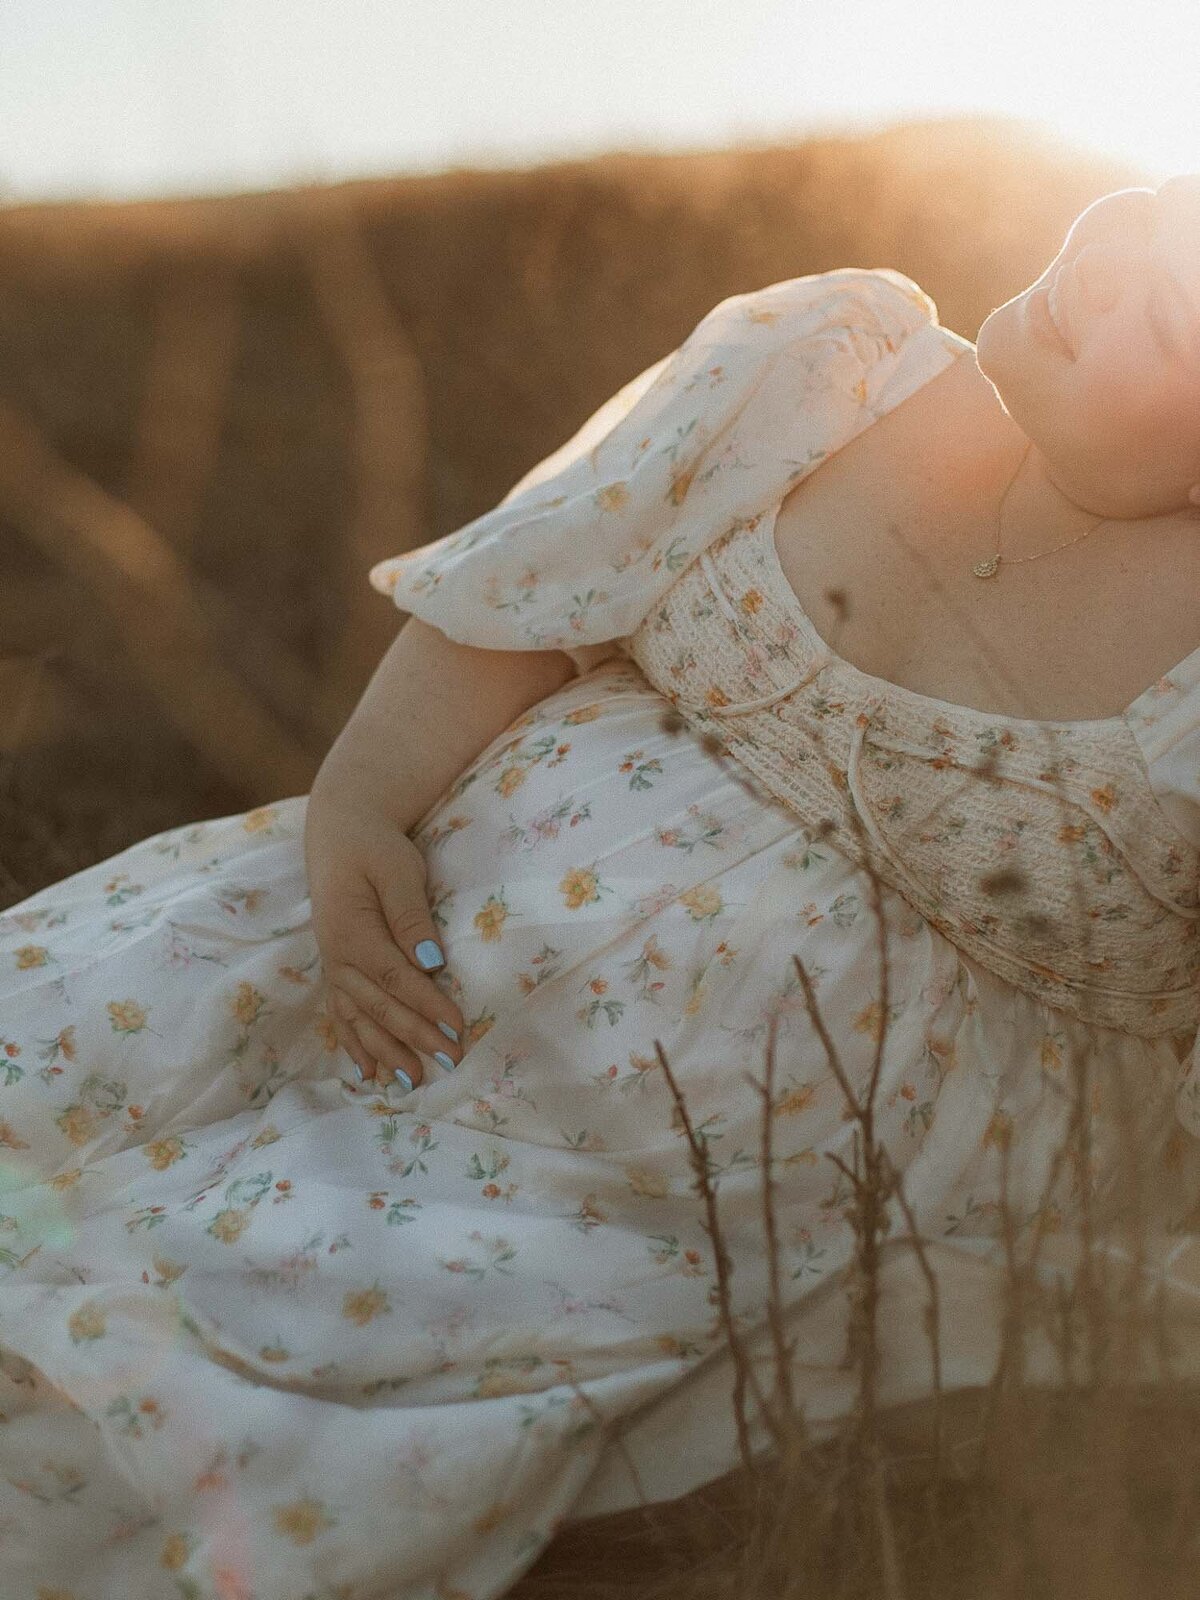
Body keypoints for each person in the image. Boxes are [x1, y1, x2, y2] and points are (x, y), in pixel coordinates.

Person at [1, 176, 1199, 1600]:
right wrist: (363, 803)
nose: (1102, 271)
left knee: (263, 1349)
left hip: (680, 1194)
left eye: (1171, 317)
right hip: (409, 961)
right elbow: (543, 592)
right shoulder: (834, 367)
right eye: (1145, 215)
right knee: (67, 1099)